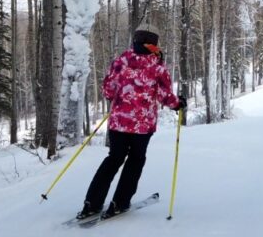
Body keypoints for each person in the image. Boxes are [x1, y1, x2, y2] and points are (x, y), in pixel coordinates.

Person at [77, 24, 186, 221]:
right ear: (153, 43)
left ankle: (91, 203)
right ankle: (120, 202)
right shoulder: (157, 67)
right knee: (135, 160)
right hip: (142, 127)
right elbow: (165, 96)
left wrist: (120, 98)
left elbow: (108, 90)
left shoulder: (121, 61)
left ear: (135, 40)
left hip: (118, 122)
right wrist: (178, 103)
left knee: (114, 159)